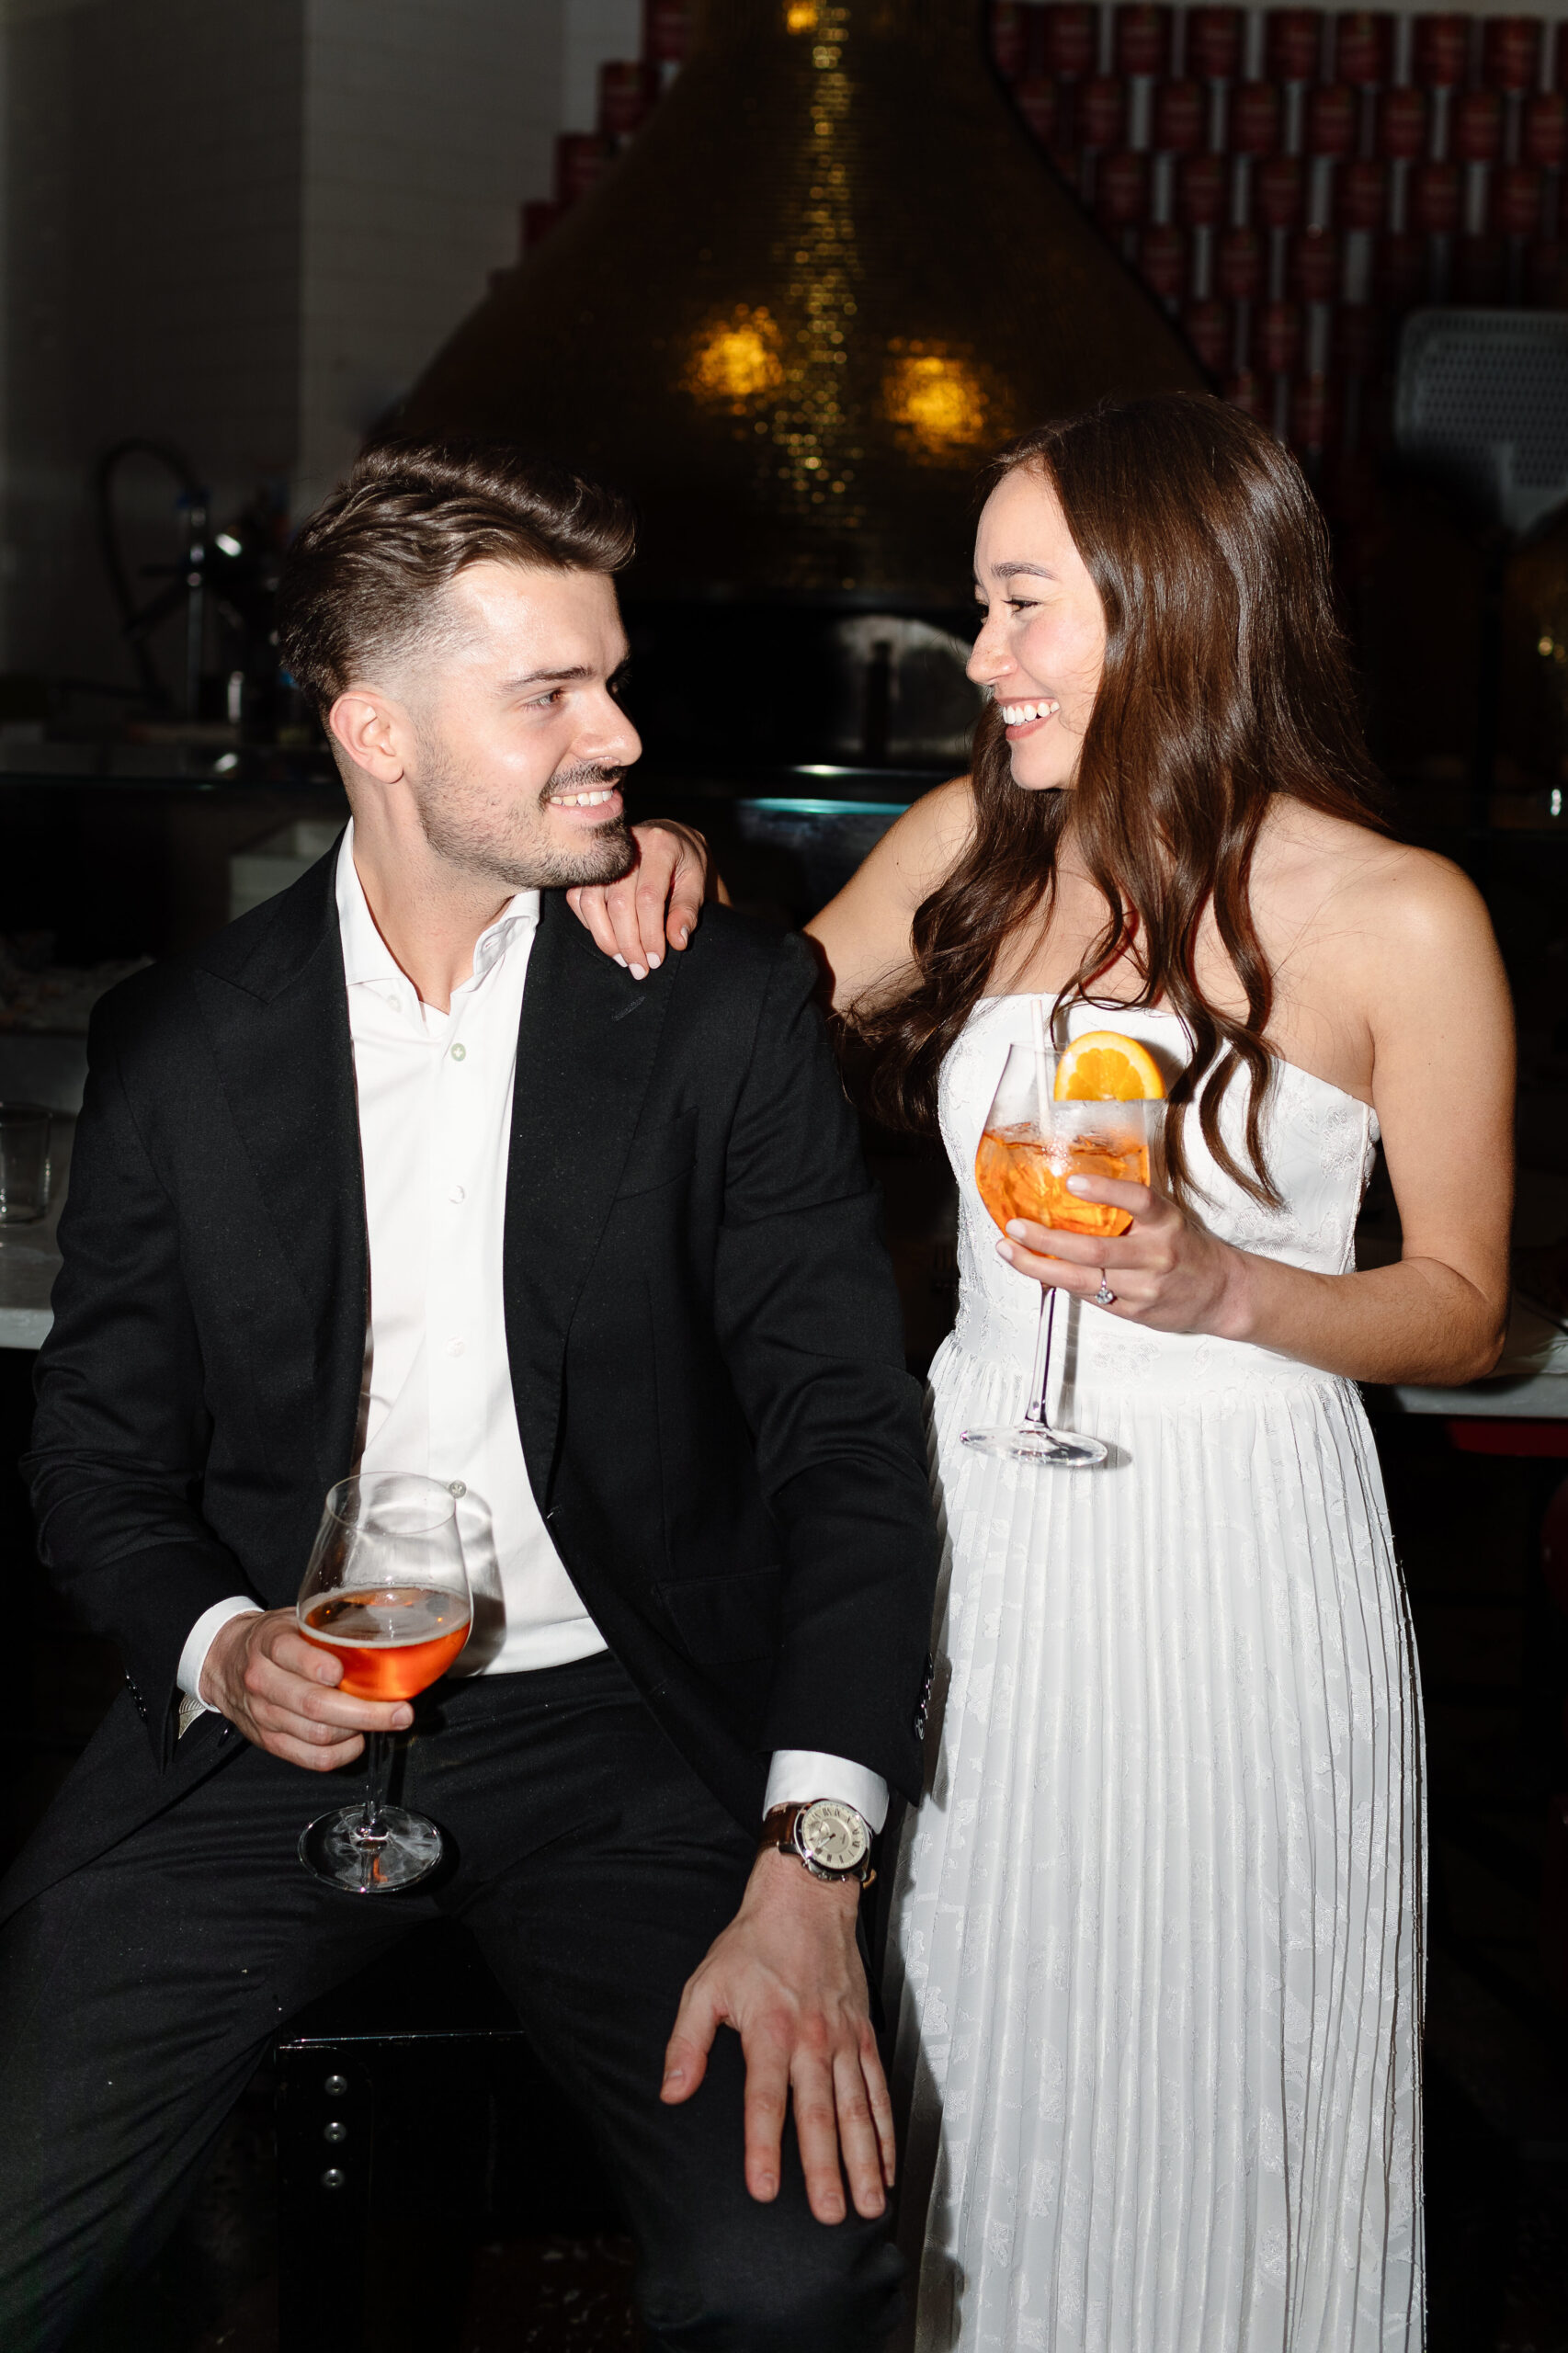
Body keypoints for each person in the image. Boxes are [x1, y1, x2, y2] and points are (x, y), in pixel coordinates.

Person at [568, 392, 1515, 2349]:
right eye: (979, 604)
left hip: (1241, 1553)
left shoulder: (1402, 914)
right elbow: (737, 1039)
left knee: (1204, 2057)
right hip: (971, 1528)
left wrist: (1225, 1286)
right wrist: (662, 870)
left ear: (1166, 605)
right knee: (977, 2043)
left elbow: (1461, 1300)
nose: (978, 653)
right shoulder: (972, 849)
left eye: (1017, 604)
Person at [0, 435, 941, 2352]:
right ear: (377, 729)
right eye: (550, 692)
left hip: (634, 1736)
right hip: (284, 1719)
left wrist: (815, 1859)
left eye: (611, 676)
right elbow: (94, 1449)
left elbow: (846, 1447)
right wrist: (213, 1641)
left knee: (786, 2278)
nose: (617, 733)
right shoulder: (185, 1042)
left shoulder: (713, 1007)